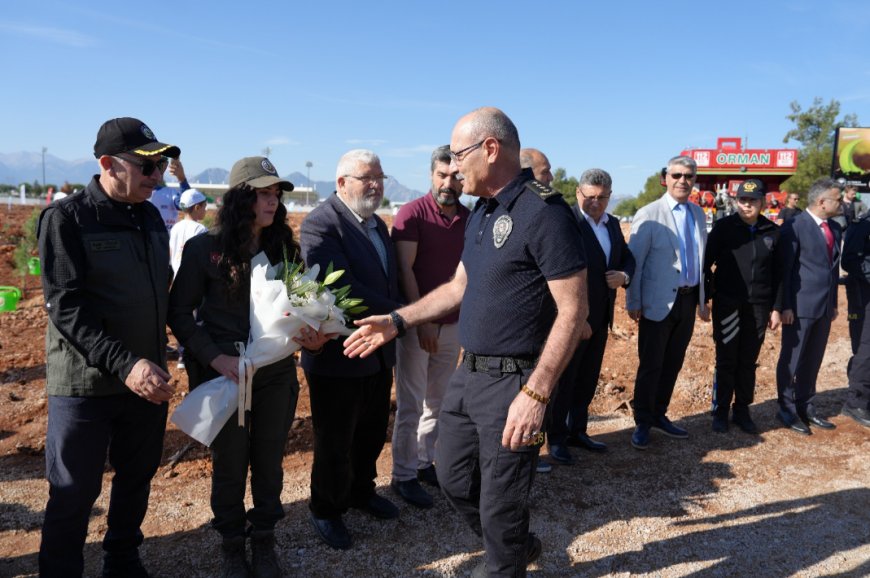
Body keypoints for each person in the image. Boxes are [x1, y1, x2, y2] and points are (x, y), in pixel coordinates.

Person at [344, 107, 589, 577]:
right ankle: (513, 546)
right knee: (453, 479)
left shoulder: (545, 213)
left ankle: (503, 560)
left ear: (490, 149)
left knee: (501, 502)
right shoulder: (482, 214)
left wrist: (536, 394)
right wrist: (398, 320)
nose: (454, 167)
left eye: (459, 155)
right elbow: (458, 287)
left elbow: (573, 310)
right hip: (467, 372)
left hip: (515, 383)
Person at [169, 157, 330, 577]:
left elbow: (303, 307)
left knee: (269, 460)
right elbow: (180, 313)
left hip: (274, 374)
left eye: (276, 194)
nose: (272, 201)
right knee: (230, 462)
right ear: (241, 197)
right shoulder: (205, 248)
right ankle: (230, 545)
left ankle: (263, 541)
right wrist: (214, 357)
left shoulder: (285, 249)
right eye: (263, 193)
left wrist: (314, 333)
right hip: (225, 374)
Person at [36, 117, 179, 577]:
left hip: (144, 380)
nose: (157, 177)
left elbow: (163, 291)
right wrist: (126, 363)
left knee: (136, 479)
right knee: (75, 491)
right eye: (147, 166)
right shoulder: (67, 218)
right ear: (107, 164)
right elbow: (67, 306)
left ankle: (122, 560)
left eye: (160, 166)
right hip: (85, 385)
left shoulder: (151, 217)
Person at [300, 149, 403, 551]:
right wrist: (405, 315)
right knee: (335, 439)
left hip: (377, 350)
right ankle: (326, 509)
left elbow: (386, 281)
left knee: (373, 430)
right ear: (342, 183)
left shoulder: (378, 224)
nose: (376, 184)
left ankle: (362, 491)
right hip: (338, 355)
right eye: (367, 178)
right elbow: (340, 291)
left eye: (380, 176)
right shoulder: (321, 224)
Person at [389, 145, 470, 508]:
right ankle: (403, 475)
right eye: (442, 175)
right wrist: (419, 320)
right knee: (410, 403)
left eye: (455, 176)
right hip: (418, 326)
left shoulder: (469, 218)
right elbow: (405, 269)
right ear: (430, 175)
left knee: (438, 401)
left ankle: (425, 463)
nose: (448, 183)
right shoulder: (412, 214)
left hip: (453, 326)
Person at [547, 168, 634, 464]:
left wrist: (624, 275)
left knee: (587, 378)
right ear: (578, 194)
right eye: (590, 197)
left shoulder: (611, 224)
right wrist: (575, 317)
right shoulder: (566, 223)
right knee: (565, 379)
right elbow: (559, 273)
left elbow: (627, 256)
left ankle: (578, 431)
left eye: (602, 197)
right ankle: (556, 438)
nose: (595, 203)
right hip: (572, 319)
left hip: (601, 317)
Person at [626, 156, 709, 450]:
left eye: (688, 176)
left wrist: (702, 300)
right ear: (666, 177)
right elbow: (635, 262)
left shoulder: (699, 215)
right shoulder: (649, 214)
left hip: (686, 303)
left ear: (694, 180)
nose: (682, 181)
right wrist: (633, 300)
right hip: (656, 303)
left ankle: (659, 414)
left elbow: (700, 260)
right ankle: (642, 422)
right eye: (677, 175)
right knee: (651, 365)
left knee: (673, 363)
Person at [703, 179, 781, 434]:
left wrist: (777, 307)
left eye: (753, 200)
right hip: (728, 305)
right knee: (726, 359)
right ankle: (720, 411)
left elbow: (780, 274)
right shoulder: (723, 228)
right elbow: (705, 266)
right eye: (743, 200)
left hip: (759, 306)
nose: (747, 205)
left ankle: (742, 410)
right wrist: (703, 299)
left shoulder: (772, 231)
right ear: (736, 201)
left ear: (762, 202)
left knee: (748, 361)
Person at [774, 178, 844, 435]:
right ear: (821, 202)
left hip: (824, 306)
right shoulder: (795, 226)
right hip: (799, 306)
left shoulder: (834, 229)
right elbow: (787, 269)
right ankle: (787, 407)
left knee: (813, 359)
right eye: (837, 199)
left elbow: (833, 269)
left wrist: (833, 302)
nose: (841, 204)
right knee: (792, 359)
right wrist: (786, 306)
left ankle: (806, 404)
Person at [841, 212, 870, 427]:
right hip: (863, 296)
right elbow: (850, 260)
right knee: (865, 349)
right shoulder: (862, 224)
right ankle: (855, 402)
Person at [169, 188, 208, 276]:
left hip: (176, 277)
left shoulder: (175, 227)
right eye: (204, 206)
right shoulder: (200, 229)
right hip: (194, 278)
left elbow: (171, 252)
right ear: (197, 207)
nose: (206, 210)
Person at [149, 157, 191, 231]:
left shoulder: (171, 193)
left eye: (162, 167)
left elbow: (187, 205)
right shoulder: (133, 194)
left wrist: (181, 178)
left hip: (167, 242)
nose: (158, 171)